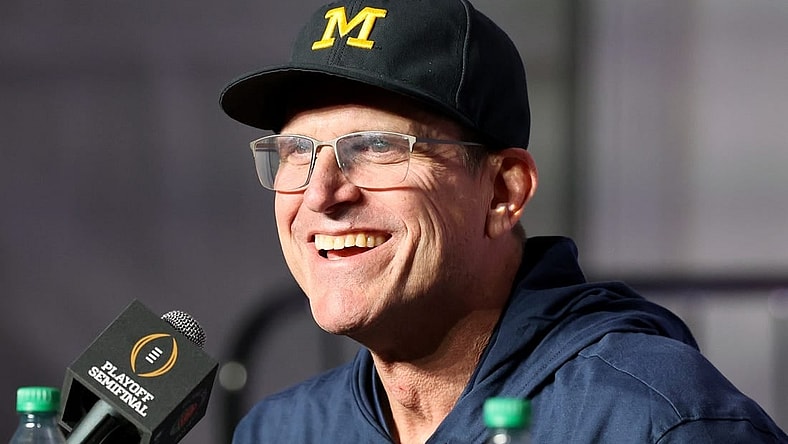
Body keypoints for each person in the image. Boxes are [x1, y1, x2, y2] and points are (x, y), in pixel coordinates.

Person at [219, 0, 788, 442]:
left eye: (373, 147)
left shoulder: (655, 424)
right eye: (297, 152)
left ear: (503, 191)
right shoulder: (285, 431)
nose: (321, 193)